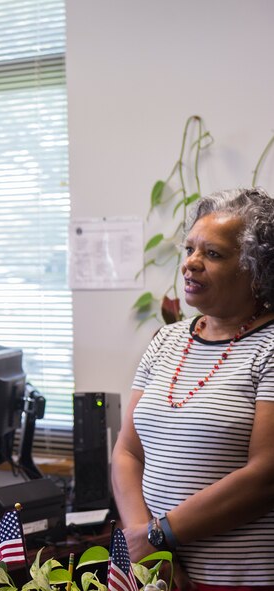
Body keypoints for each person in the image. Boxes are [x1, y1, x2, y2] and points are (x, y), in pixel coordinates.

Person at [112, 187, 274, 590]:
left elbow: (266, 475)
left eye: (213, 254)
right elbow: (127, 450)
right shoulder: (167, 340)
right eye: (189, 250)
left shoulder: (270, 346)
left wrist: (158, 536)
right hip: (156, 573)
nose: (190, 265)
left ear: (258, 269)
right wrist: (146, 548)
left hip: (242, 579)